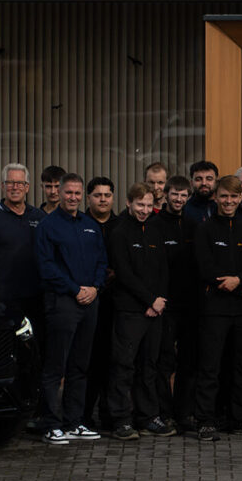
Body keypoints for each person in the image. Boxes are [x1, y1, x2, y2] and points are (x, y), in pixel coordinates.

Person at [36, 172, 108, 445]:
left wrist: (95, 288)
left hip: (90, 300)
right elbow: (46, 267)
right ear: (59, 193)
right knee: (56, 366)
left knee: (80, 365)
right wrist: (74, 289)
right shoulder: (48, 226)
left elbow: (103, 261)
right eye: (69, 193)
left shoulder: (90, 225)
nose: (73, 197)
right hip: (63, 301)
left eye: (78, 193)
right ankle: (51, 424)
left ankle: (73, 421)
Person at [192, 175, 242, 441]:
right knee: (210, 367)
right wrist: (234, 282)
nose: (229, 201)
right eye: (224, 196)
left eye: (234, 196)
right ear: (216, 197)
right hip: (214, 310)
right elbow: (204, 266)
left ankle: (240, 418)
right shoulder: (205, 229)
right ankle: (205, 420)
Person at [106, 183, 169, 440]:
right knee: (124, 366)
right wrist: (149, 300)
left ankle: (147, 416)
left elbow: (164, 268)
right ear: (129, 204)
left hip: (155, 311)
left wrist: (160, 300)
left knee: (149, 366)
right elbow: (124, 273)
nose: (144, 210)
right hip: (130, 311)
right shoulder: (119, 232)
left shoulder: (155, 230)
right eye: (139, 205)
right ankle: (120, 419)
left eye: (148, 205)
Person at [0, 163, 47, 341]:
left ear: (27, 187)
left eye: (20, 183)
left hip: (37, 297)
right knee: (8, 346)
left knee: (38, 346)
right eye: (10, 182)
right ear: (2, 186)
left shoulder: (39, 217)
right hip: (5, 299)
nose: (15, 187)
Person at [155, 175, 198, 433]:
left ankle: (184, 413)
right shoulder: (156, 224)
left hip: (191, 305)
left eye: (183, 195)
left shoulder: (194, 225)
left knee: (189, 362)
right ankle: (164, 412)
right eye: (175, 194)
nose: (179, 199)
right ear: (166, 194)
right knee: (164, 362)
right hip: (165, 305)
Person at [82, 176, 119, 432]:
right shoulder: (80, 223)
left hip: (117, 303)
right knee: (88, 363)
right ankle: (83, 415)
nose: (103, 199)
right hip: (88, 301)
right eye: (98, 195)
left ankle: (109, 414)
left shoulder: (121, 224)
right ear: (89, 198)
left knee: (113, 362)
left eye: (107, 195)